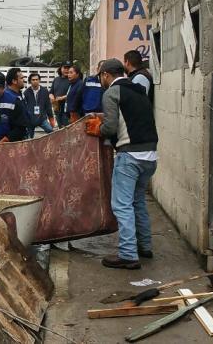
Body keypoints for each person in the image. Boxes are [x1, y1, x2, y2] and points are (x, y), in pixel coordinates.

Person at [87, 58, 158, 270]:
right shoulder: (138, 89)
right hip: (151, 155)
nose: (101, 80)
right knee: (138, 202)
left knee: (122, 205)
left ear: (106, 75)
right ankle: (144, 246)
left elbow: (109, 127)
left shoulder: (112, 92)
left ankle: (128, 254)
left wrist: (96, 129)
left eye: (101, 76)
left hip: (130, 156)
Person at [24, 73, 53, 138]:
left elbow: (48, 105)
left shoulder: (45, 91)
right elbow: (24, 107)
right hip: (30, 119)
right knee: (29, 138)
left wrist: (51, 118)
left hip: (42, 118)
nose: (35, 81)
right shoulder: (26, 92)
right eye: (33, 80)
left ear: (39, 80)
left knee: (51, 131)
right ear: (30, 81)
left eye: (37, 79)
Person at [50, 62, 72, 128]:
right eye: (65, 68)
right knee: (60, 127)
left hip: (67, 109)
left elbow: (73, 93)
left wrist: (62, 98)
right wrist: (52, 98)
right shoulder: (56, 79)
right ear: (61, 68)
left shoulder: (71, 80)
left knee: (66, 128)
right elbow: (51, 92)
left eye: (68, 68)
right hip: (57, 108)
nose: (66, 70)